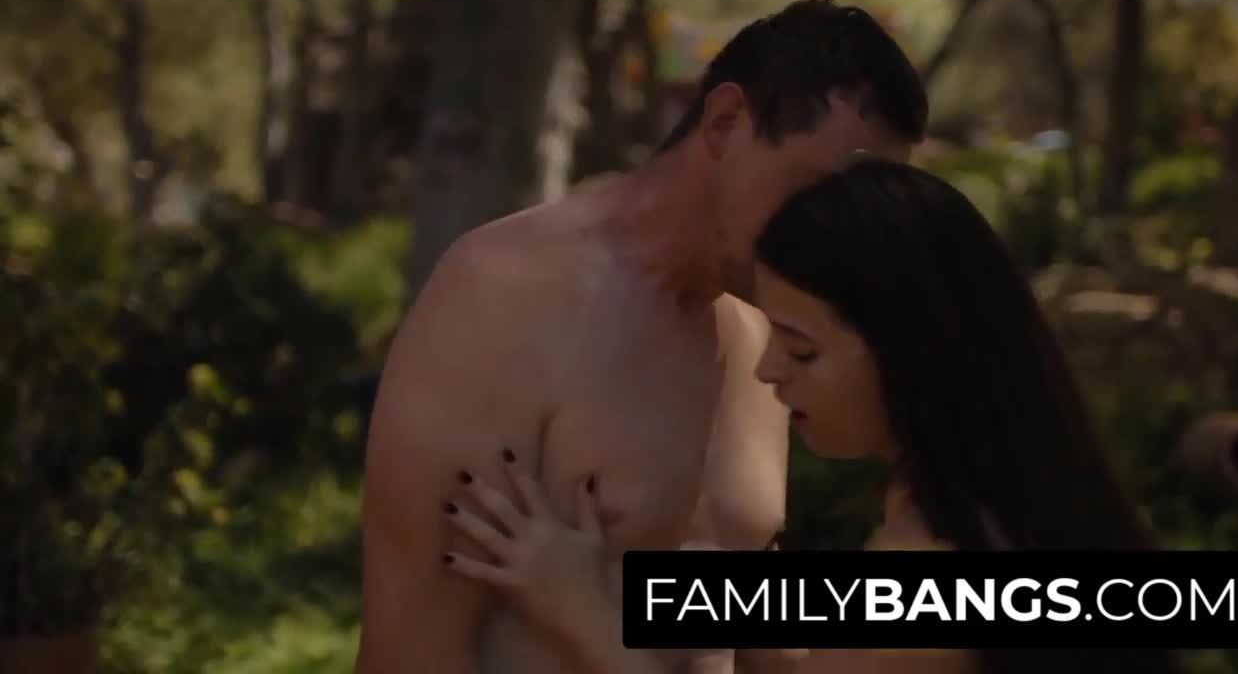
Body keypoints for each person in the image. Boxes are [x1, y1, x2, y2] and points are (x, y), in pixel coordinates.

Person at [355, 0, 929, 674]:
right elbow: (410, 650)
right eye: (821, 194)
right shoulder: (506, 296)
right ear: (726, 122)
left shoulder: (764, 338)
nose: (839, 238)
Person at [438, 159, 1184, 674]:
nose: (767, 370)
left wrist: (576, 607)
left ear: (906, 352)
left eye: (800, 348)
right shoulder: (1009, 505)